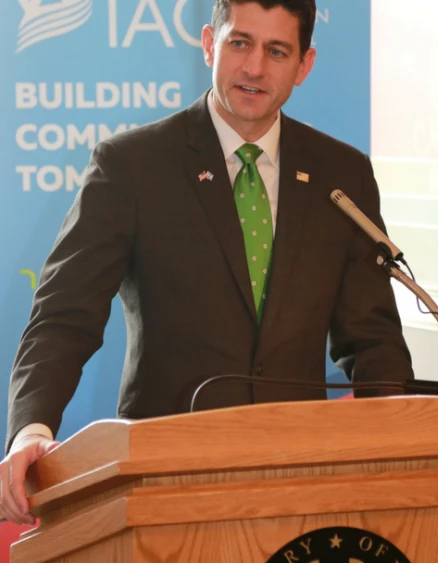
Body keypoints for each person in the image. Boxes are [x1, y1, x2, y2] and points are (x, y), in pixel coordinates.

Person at [1, 0, 413, 524]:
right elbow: (63, 317)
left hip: (301, 482)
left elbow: (371, 338)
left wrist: (401, 442)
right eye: (240, 43)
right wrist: (31, 429)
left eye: (277, 51)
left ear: (304, 65)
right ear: (208, 43)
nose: (254, 68)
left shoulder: (341, 174)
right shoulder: (132, 166)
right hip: (164, 480)